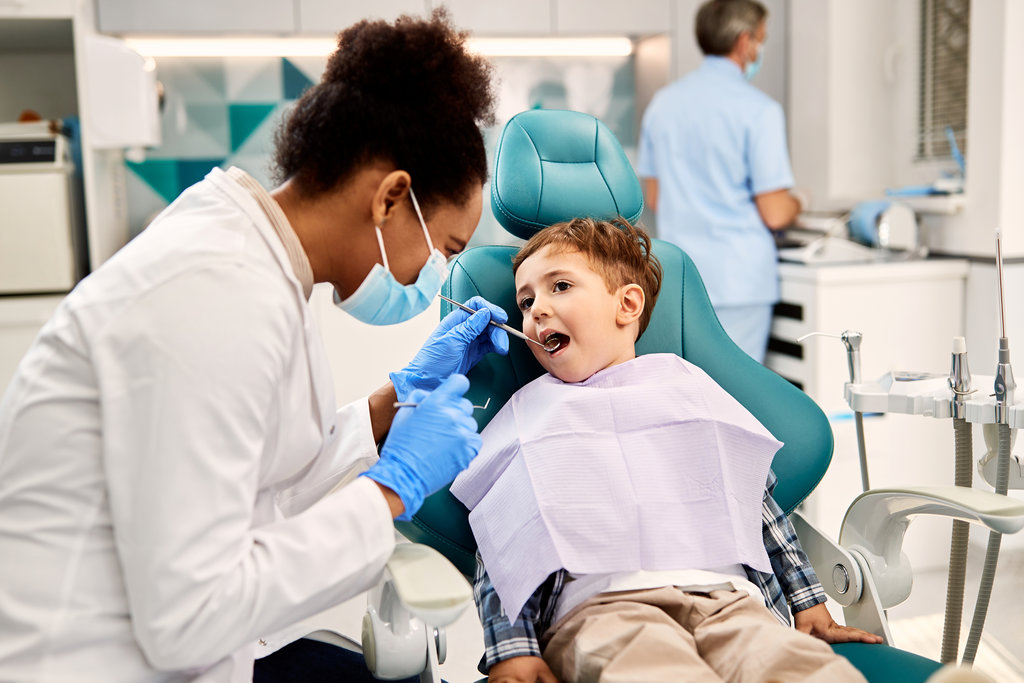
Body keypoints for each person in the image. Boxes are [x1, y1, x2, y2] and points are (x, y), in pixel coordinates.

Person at [0, 11, 506, 682]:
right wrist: (390, 490)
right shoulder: (213, 295)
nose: (432, 276)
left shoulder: (258, 265)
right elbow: (189, 615)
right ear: (390, 197)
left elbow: (255, 484)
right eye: (445, 248)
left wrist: (388, 405)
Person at [450, 218, 881, 683]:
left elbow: (754, 502)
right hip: (605, 609)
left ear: (628, 304)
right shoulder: (532, 415)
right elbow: (505, 541)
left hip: (727, 600)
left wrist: (807, 602)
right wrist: (513, 651)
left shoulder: (685, 388)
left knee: (802, 669)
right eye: (526, 301)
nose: (537, 310)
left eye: (560, 286)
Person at [637, 0, 805, 363]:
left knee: (689, 388)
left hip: (679, 277)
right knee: (735, 395)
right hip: (739, 281)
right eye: (760, 39)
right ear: (745, 43)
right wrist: (799, 202)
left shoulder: (663, 104)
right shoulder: (759, 110)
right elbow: (775, 212)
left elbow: (654, 196)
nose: (759, 49)